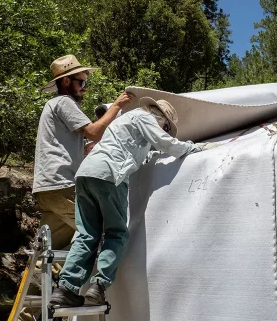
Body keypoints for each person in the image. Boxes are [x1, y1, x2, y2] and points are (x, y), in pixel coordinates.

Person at [49, 98, 201, 307]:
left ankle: (66, 288)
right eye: (166, 127)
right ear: (160, 117)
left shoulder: (125, 122)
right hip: (110, 175)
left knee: (87, 234)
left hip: (86, 174)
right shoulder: (145, 118)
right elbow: (167, 144)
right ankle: (99, 286)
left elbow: (141, 152)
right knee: (116, 232)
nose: (165, 131)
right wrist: (193, 149)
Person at [33, 55, 133, 250]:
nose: (85, 87)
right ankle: (106, 280)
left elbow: (76, 140)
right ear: (67, 81)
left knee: (49, 251)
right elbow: (94, 132)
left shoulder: (53, 106)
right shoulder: (63, 102)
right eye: (82, 82)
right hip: (63, 185)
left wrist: (84, 147)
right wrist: (117, 106)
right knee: (105, 228)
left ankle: (43, 279)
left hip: (48, 189)